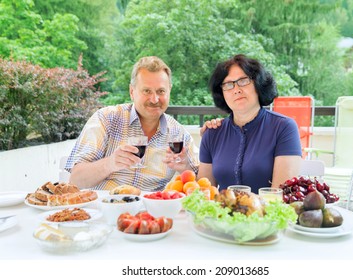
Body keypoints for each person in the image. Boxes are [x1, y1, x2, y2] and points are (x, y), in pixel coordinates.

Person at [65, 56, 199, 191]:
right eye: (147, 91)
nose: (154, 99)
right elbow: (76, 180)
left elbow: (201, 183)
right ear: (132, 92)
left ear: (169, 91)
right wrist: (110, 163)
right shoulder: (106, 119)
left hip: (151, 209)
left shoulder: (179, 134)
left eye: (161, 91)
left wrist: (185, 167)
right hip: (106, 208)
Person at [197, 54, 302, 193]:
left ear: (259, 84)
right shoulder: (212, 132)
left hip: (266, 213)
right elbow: (204, 193)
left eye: (243, 80)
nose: (236, 89)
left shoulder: (283, 127)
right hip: (221, 213)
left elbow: (280, 195)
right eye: (228, 84)